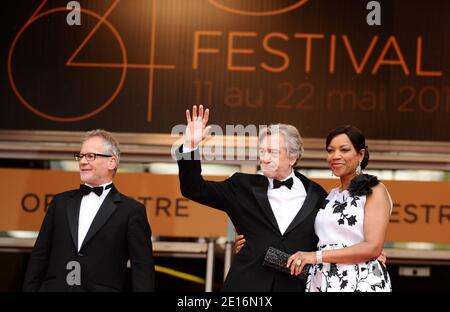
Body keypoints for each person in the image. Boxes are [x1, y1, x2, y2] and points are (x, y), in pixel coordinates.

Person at [176, 105, 327, 291]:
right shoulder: (242, 187)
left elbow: (327, 243)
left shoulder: (317, 195)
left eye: (272, 152)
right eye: (262, 151)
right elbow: (194, 189)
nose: (264, 158)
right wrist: (191, 146)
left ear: (293, 157)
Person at [23, 129, 155, 292]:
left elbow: (142, 270)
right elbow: (39, 257)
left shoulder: (131, 211)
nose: (83, 161)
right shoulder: (60, 202)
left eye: (91, 156)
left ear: (111, 162)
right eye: (81, 156)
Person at [284, 125, 392, 292]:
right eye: (330, 150)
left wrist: (317, 256)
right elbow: (307, 237)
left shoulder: (375, 190)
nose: (335, 156)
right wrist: (254, 241)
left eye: (344, 149)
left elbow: (373, 248)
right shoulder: (328, 196)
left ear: (361, 154)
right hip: (322, 280)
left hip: (361, 281)